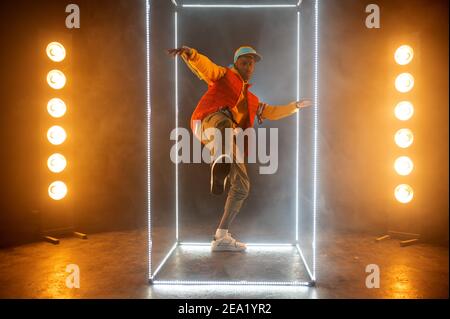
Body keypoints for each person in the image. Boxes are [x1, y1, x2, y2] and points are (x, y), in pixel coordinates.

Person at [167, 45, 312, 252]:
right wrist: (192, 54)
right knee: (225, 119)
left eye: (251, 63)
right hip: (208, 121)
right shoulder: (225, 76)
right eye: (244, 62)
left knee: (242, 186)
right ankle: (220, 160)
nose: (248, 66)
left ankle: (221, 236)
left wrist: (295, 106)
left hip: (227, 139)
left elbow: (270, 111)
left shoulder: (251, 100)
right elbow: (208, 68)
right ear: (236, 63)